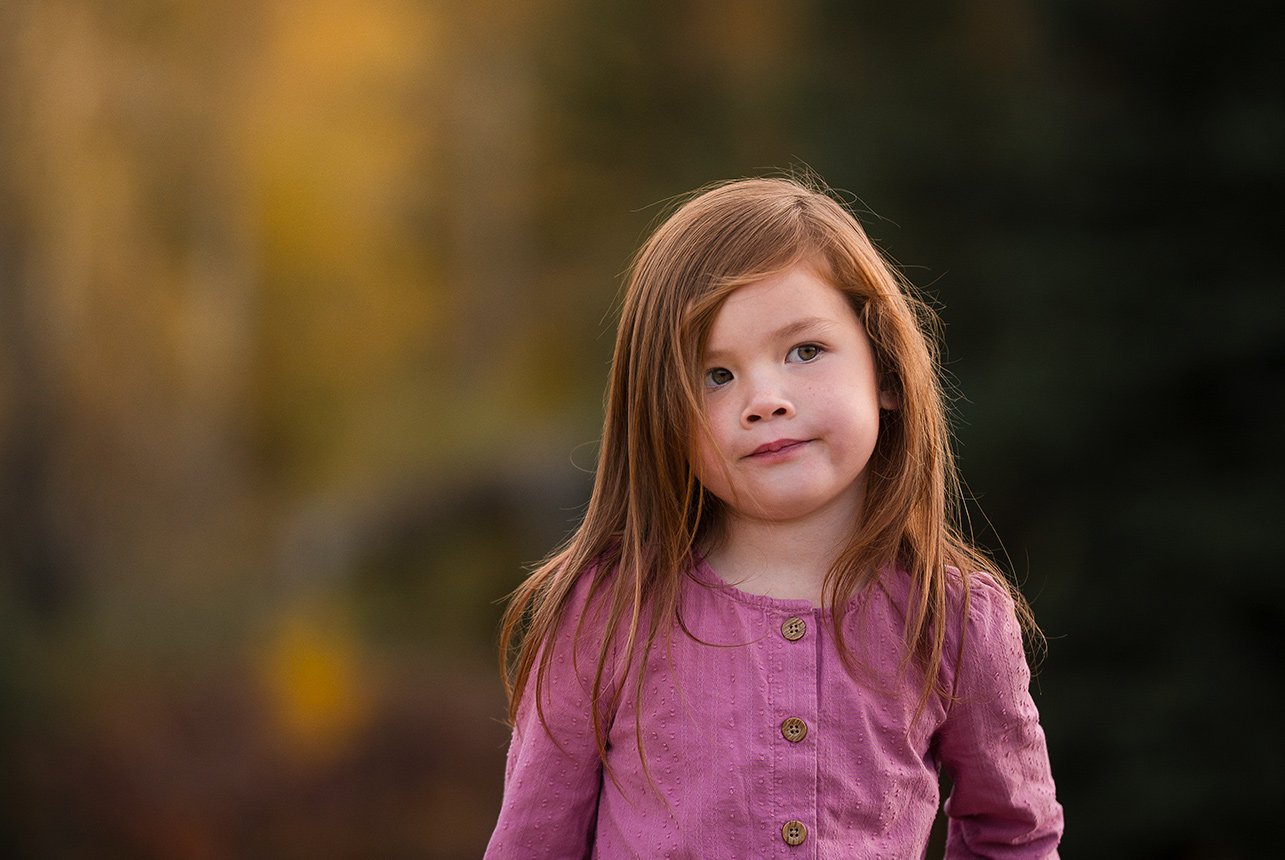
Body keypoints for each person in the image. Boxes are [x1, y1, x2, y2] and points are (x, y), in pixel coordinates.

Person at [484, 176, 1063, 858]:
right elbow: (532, 846)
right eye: (714, 375)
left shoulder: (953, 621)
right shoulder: (607, 610)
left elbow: (1013, 837)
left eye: (804, 352)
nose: (764, 399)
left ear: (884, 370)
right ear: (662, 416)